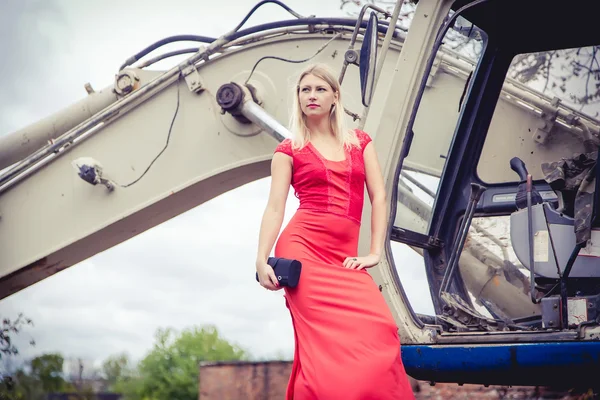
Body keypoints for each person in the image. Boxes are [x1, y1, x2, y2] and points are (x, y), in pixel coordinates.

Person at [255, 63, 415, 400]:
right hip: (302, 251)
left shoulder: (360, 141)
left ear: (335, 97)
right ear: (298, 99)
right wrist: (260, 260)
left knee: (380, 328)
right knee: (324, 352)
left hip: (344, 259)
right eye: (305, 90)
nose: (311, 96)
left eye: (319, 89)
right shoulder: (288, 150)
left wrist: (374, 253)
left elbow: (380, 196)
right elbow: (275, 208)